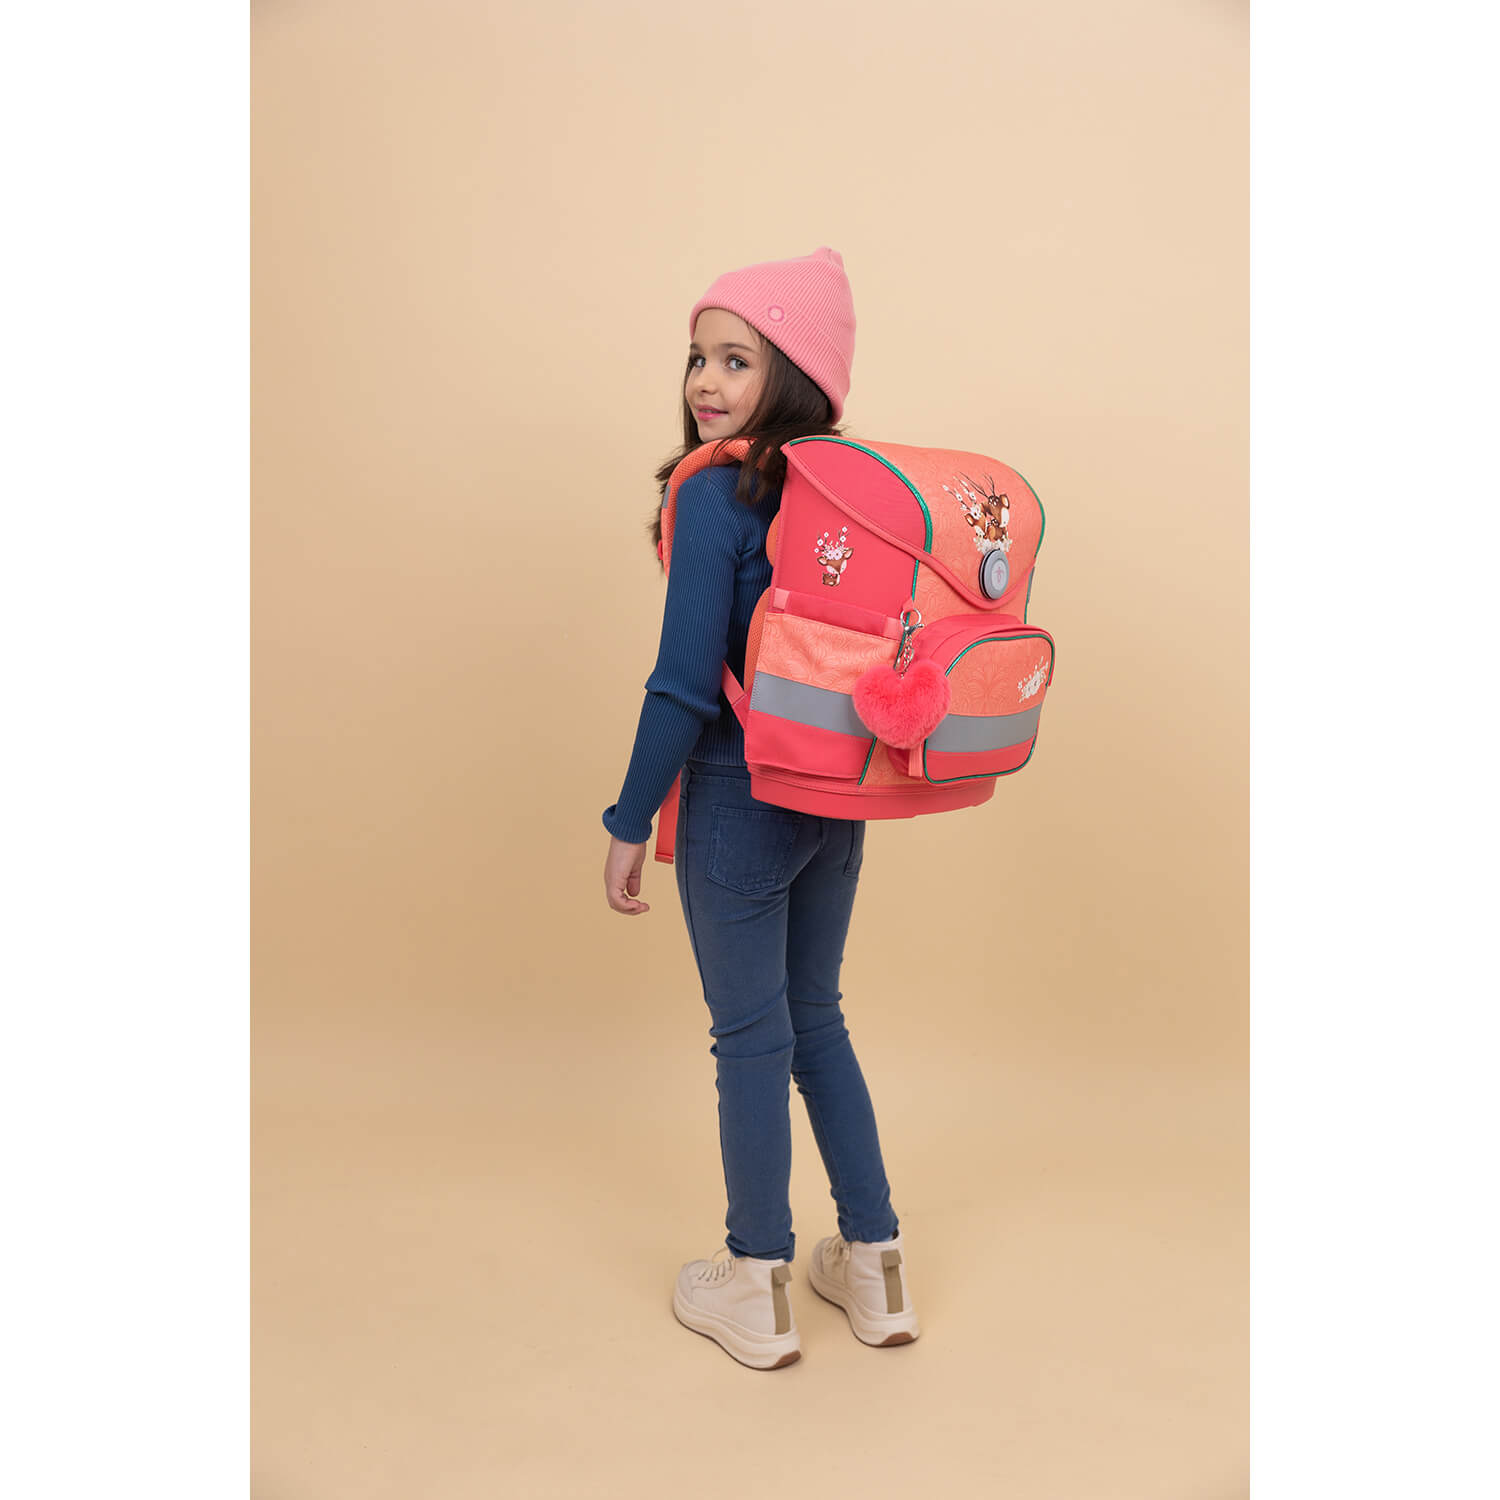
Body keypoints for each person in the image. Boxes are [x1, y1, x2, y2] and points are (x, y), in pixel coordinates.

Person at [601, 247, 919, 1370]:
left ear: (797, 374)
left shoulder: (714, 494)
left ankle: (756, 1281)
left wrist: (629, 817)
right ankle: (876, 1266)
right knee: (815, 1018)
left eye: (737, 360)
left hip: (740, 798)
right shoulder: (845, 492)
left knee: (750, 1038)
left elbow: (684, 683)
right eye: (699, 356)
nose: (706, 380)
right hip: (839, 796)